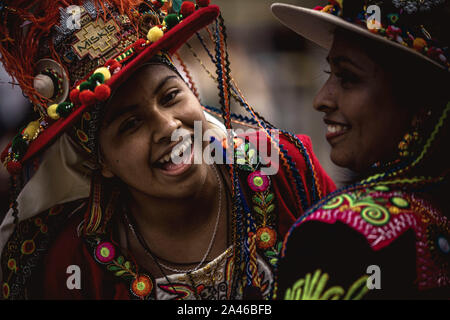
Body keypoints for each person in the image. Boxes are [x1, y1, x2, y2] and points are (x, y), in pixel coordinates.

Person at [0, 0, 335, 300]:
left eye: (171, 96)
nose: (168, 126)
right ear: (99, 160)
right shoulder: (72, 260)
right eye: (130, 124)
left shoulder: (283, 166)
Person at [271, 0, 449, 299]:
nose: (321, 99)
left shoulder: (337, 235)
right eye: (329, 73)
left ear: (420, 104)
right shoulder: (435, 210)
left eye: (348, 77)